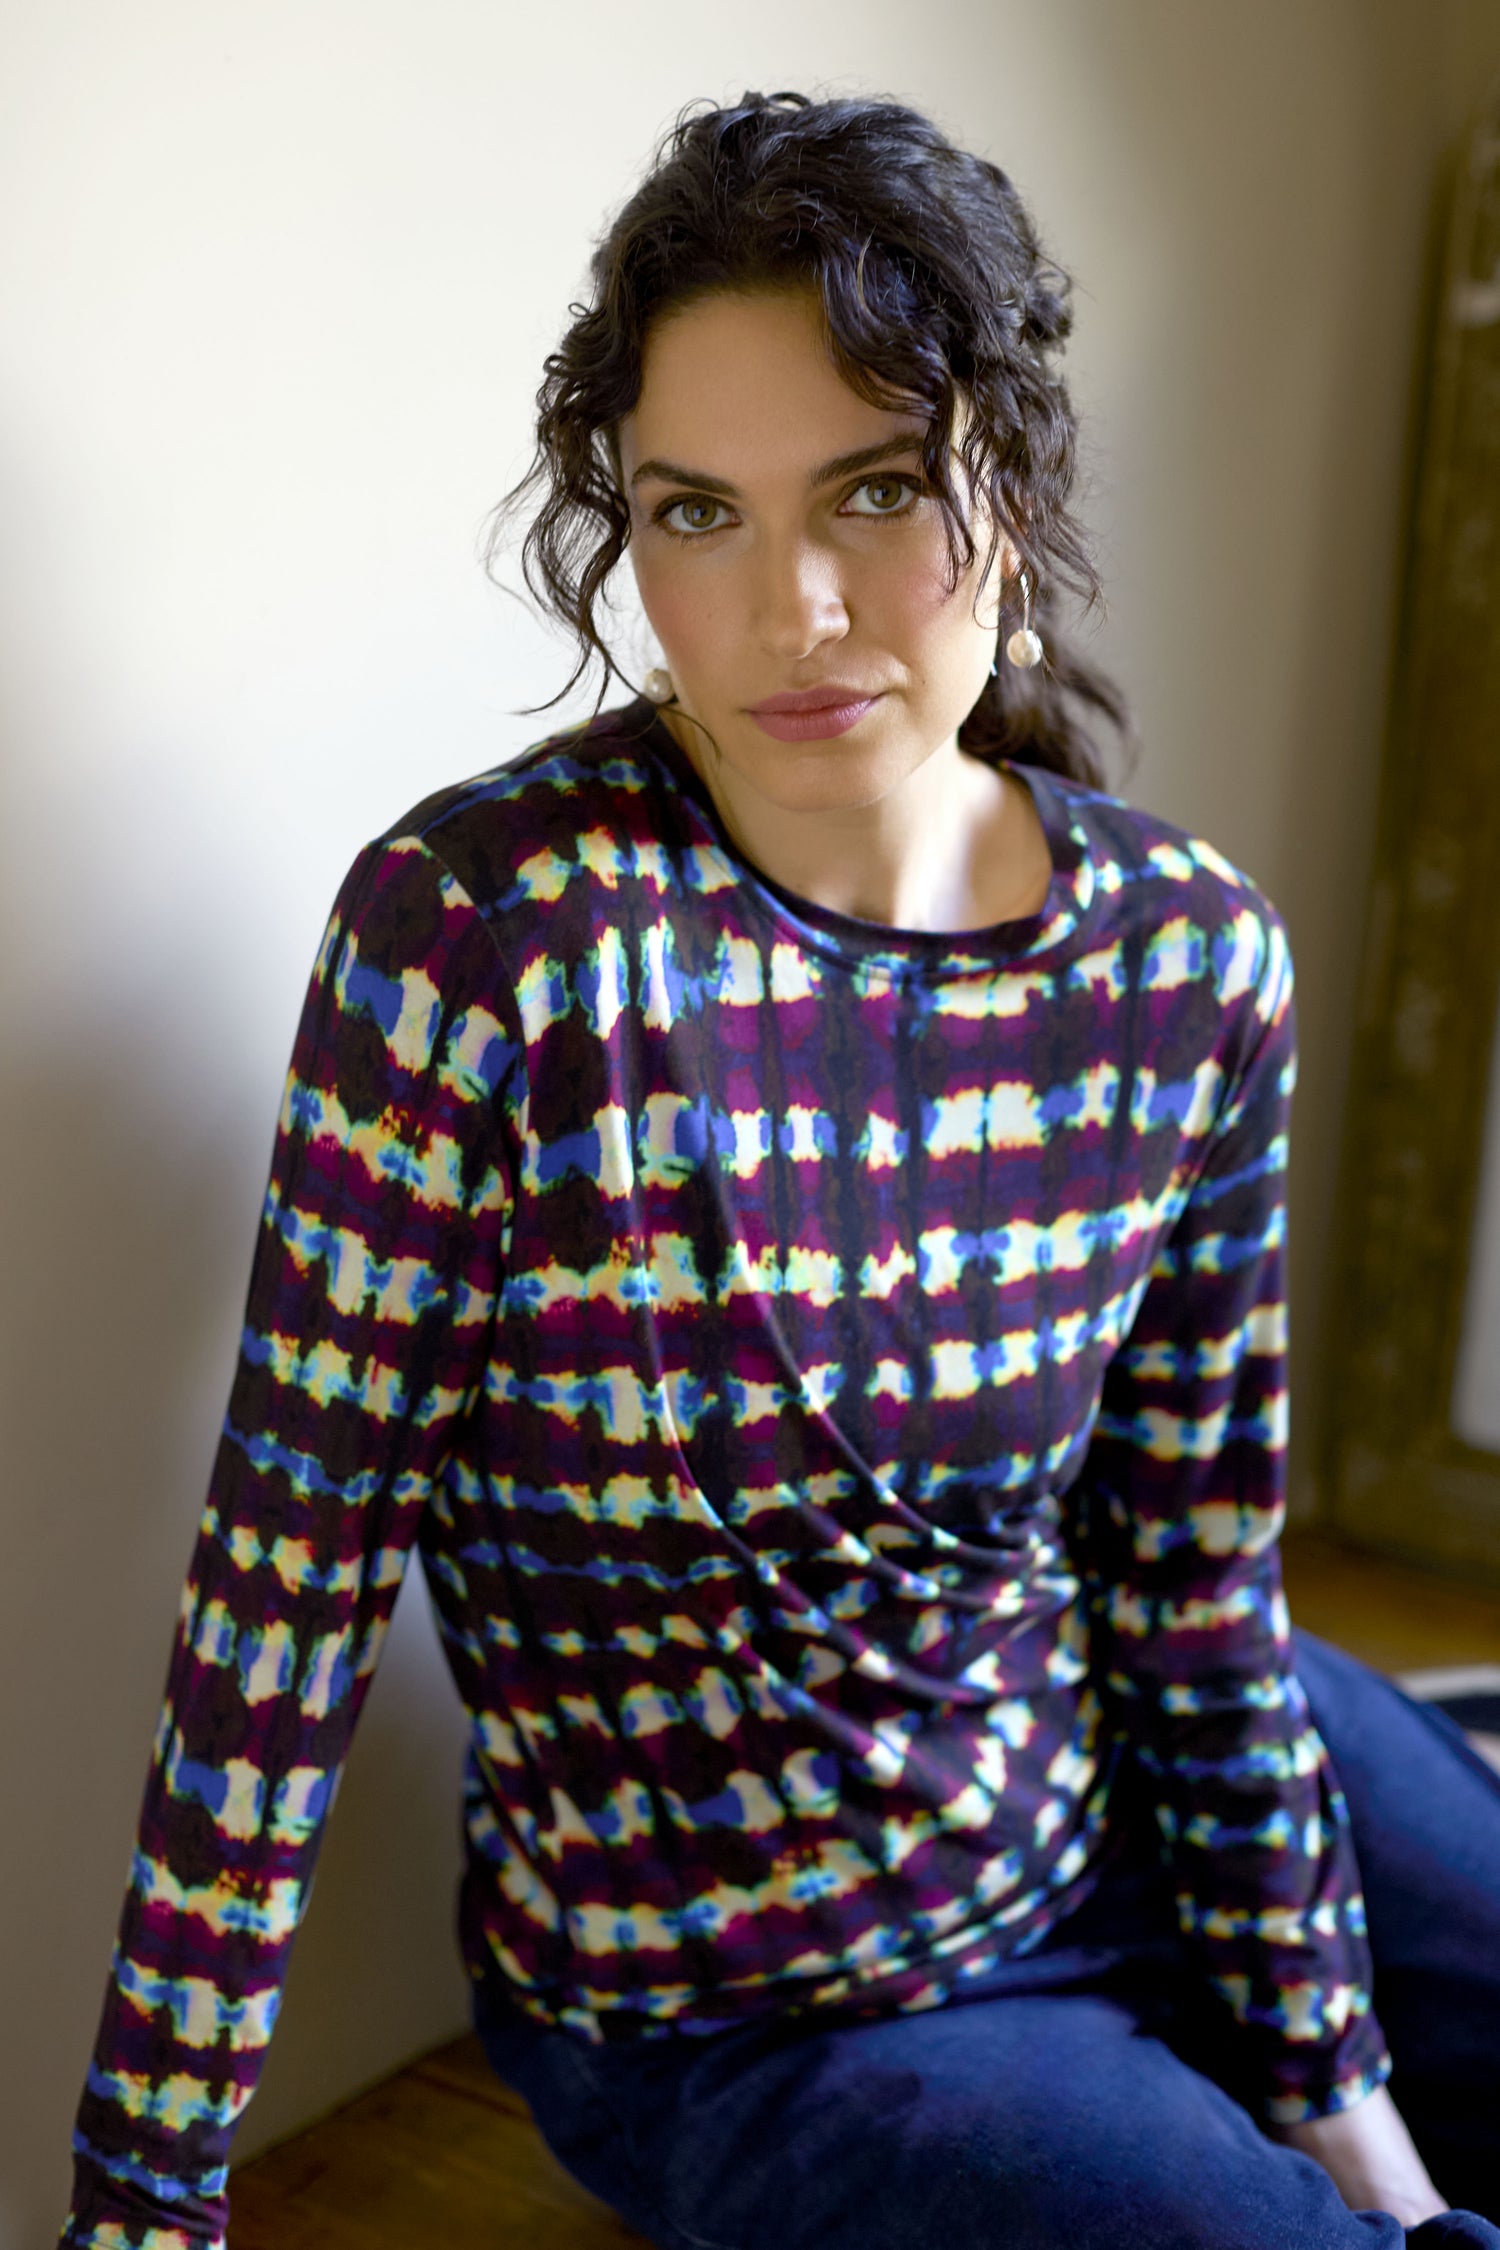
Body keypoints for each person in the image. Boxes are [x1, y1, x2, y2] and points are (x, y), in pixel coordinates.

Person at [60, 90, 1500, 2250]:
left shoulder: (1190, 954)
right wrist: (143, 2204)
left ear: (1013, 478)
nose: (796, 603)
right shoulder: (484, 944)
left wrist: (1346, 2103)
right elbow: (279, 1618)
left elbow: (1190, 1588)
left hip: (1125, 1763)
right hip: (744, 2010)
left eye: (878, 490)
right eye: (698, 513)